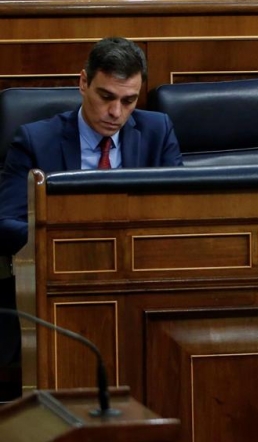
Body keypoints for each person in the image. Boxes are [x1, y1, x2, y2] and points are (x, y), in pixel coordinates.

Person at [0, 36, 182, 376]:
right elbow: (5, 223)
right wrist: (73, 242)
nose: (116, 113)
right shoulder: (35, 140)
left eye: (129, 101)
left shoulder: (158, 131)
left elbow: (180, 213)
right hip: (63, 283)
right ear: (83, 83)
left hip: (139, 280)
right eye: (106, 97)